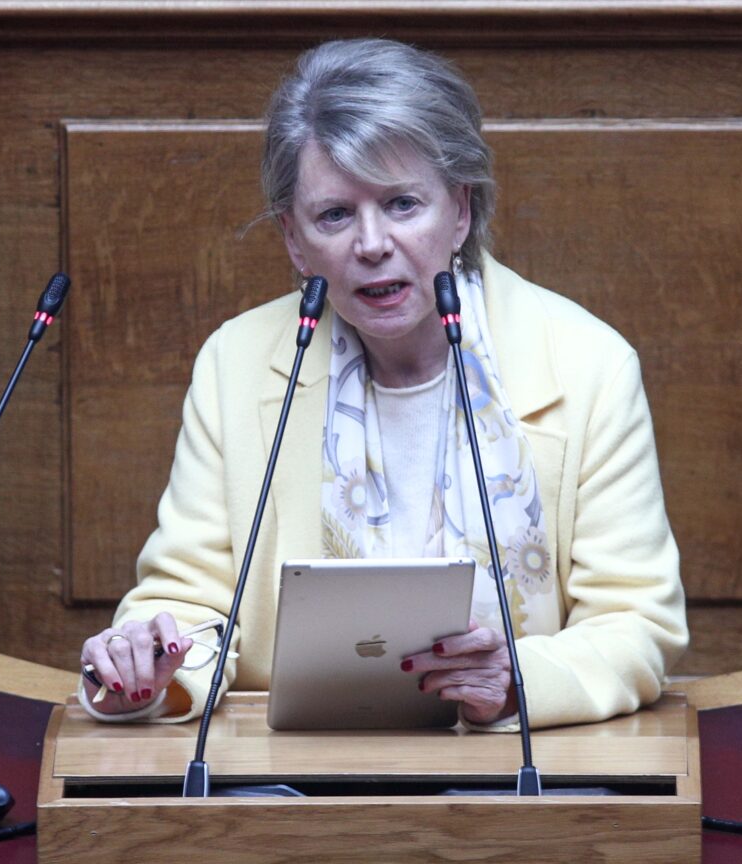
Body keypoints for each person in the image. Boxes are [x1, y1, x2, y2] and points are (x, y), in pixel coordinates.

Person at [78, 38, 687, 730]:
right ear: (294, 239)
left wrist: (516, 682)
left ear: (460, 210)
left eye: (402, 204)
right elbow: (188, 605)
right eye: (335, 215)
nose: (371, 245)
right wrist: (149, 665)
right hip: (292, 770)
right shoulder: (237, 363)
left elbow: (636, 622)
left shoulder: (588, 363)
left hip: (512, 765)